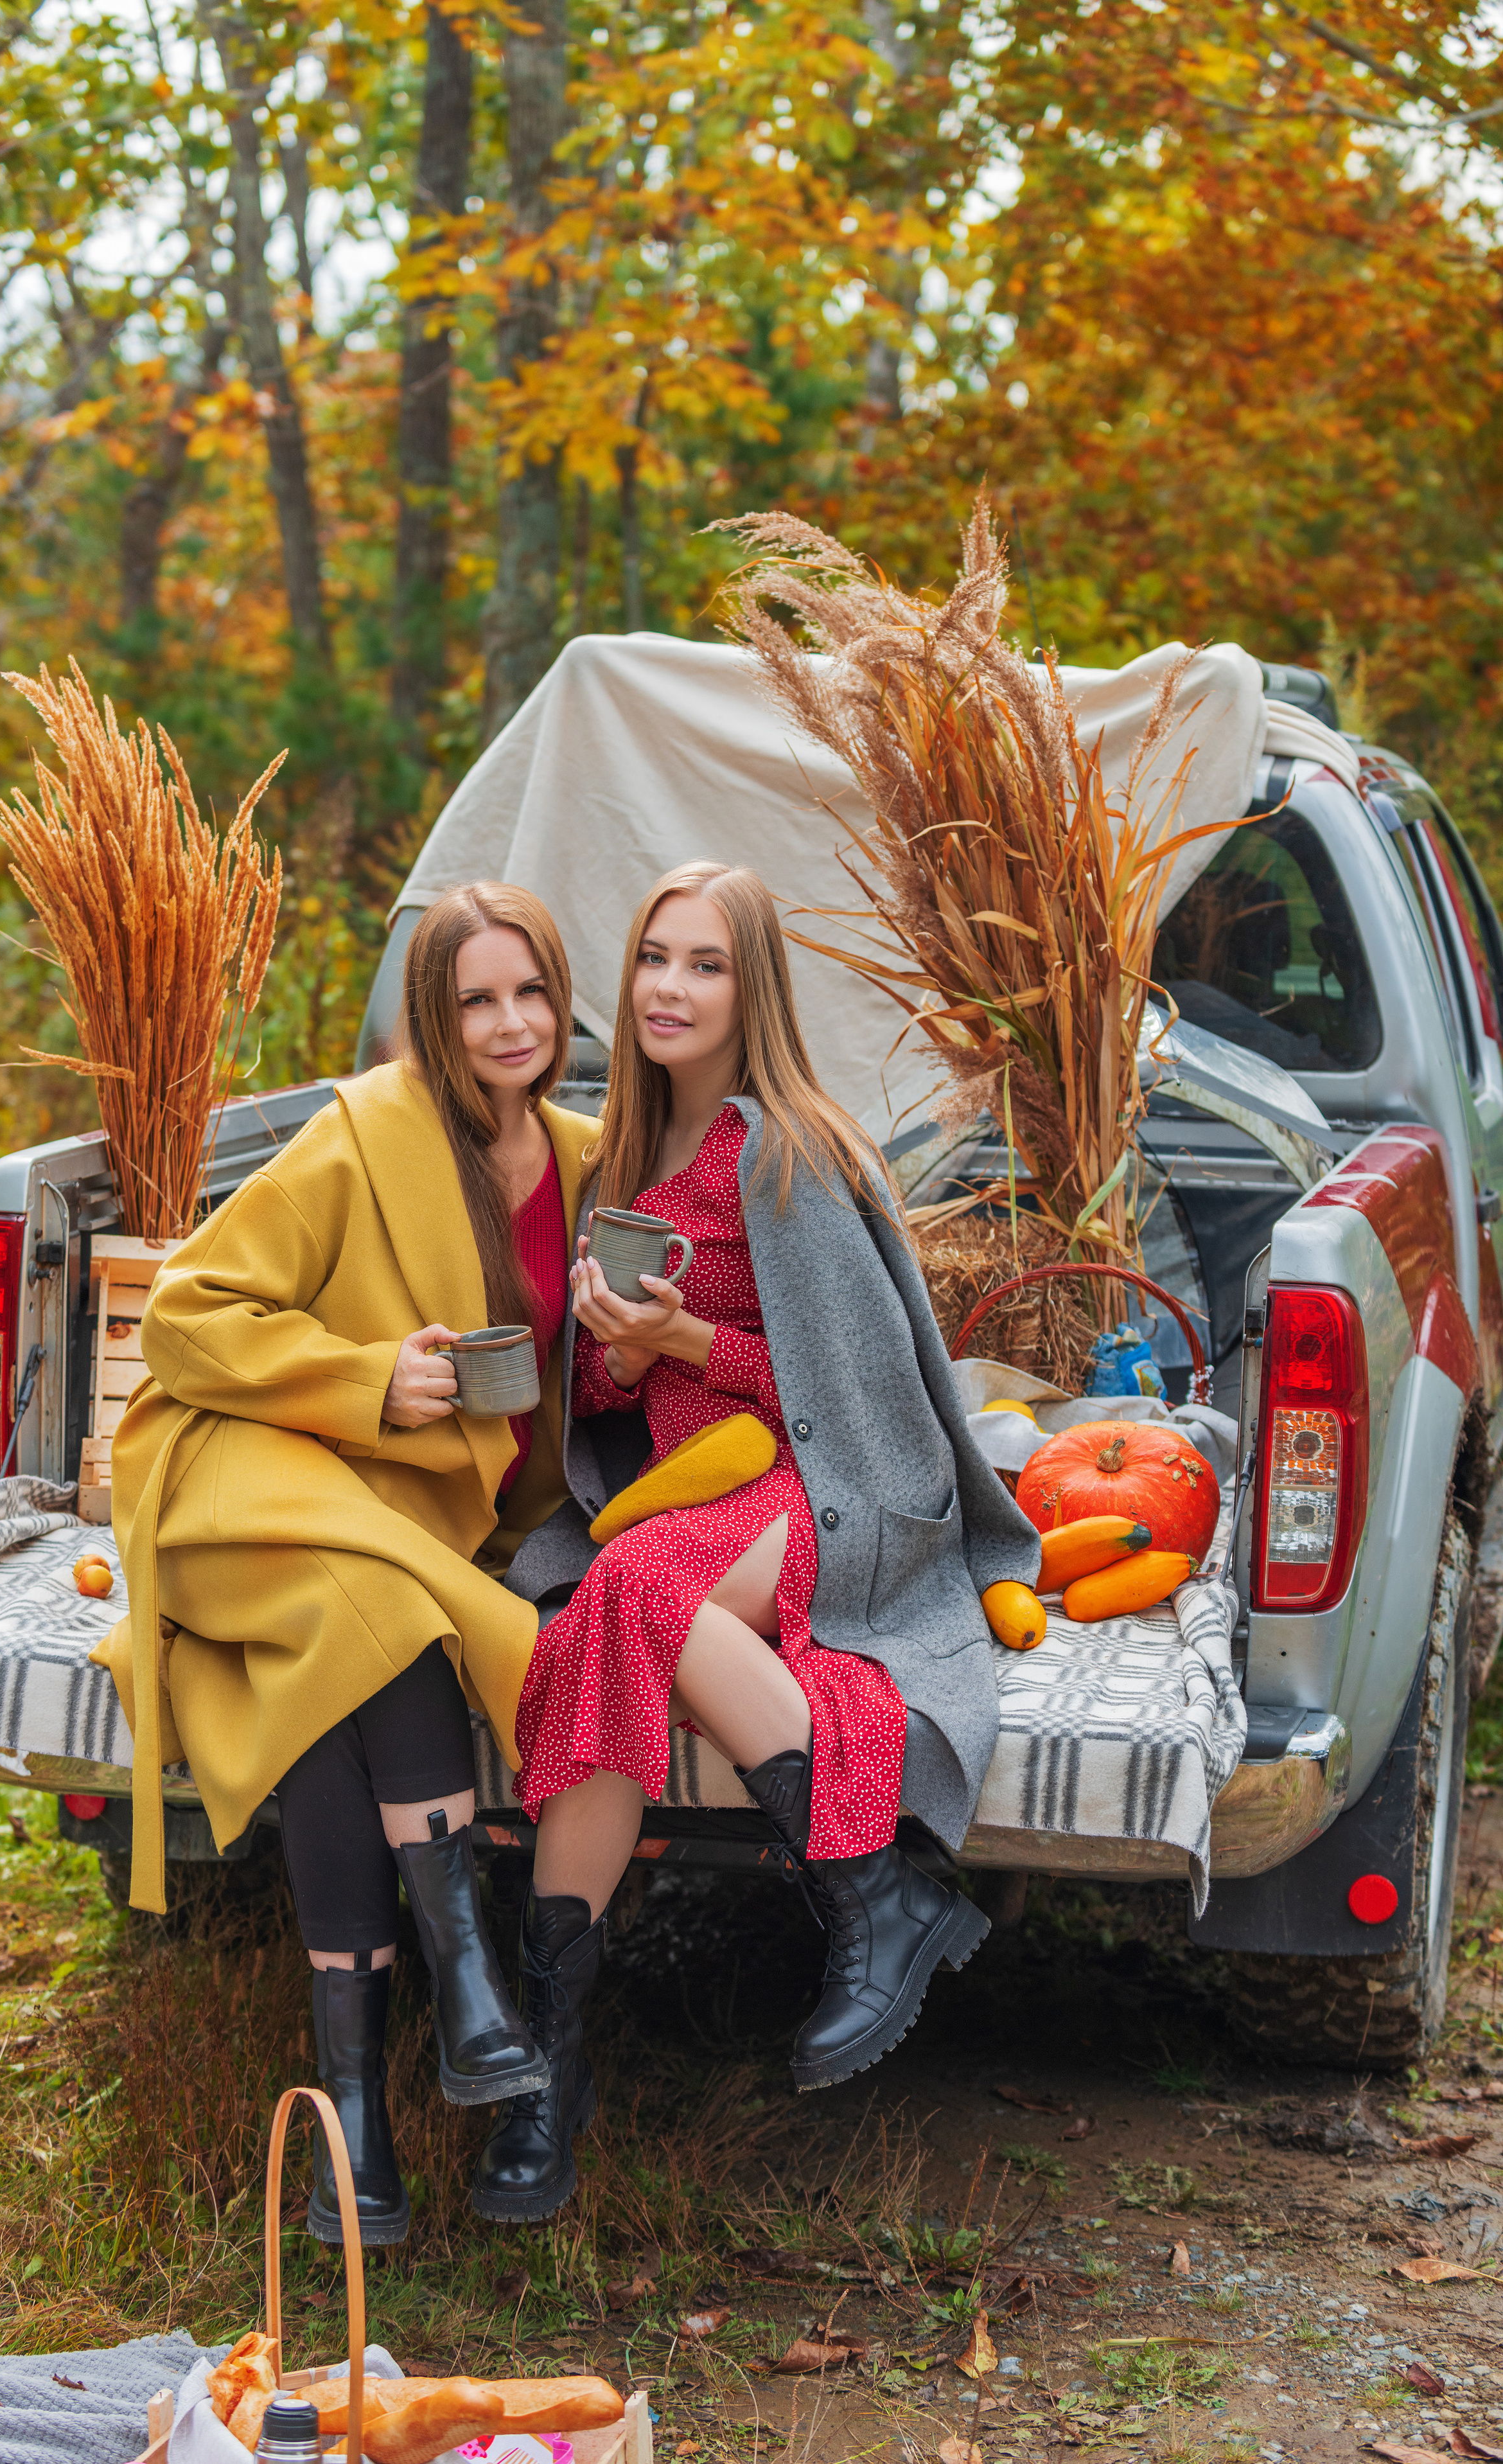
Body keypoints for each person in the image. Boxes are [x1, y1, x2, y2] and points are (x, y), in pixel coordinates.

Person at [477, 861, 1041, 2223]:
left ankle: (841, 1901)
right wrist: (618, 1356)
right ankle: (579, 2039)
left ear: (752, 991)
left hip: (822, 1485)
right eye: (652, 958)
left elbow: (852, 1393)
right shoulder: (622, 1156)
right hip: (693, 1492)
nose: (669, 988)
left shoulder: (786, 1151)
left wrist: (685, 1338)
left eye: (705, 964)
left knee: (624, 1593)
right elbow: (610, 1400)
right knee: (614, 1619)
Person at [96, 883, 598, 2245]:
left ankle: (356, 2133)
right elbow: (186, 1317)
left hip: (398, 1513)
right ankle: (467, 1983)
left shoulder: (587, 1158)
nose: (510, 1023)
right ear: (431, 1015)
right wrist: (368, 1378)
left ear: (564, 1003)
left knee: (341, 1671)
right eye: (476, 999)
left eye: (532, 992)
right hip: (250, 1473)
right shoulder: (364, 1134)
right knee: (386, 1608)